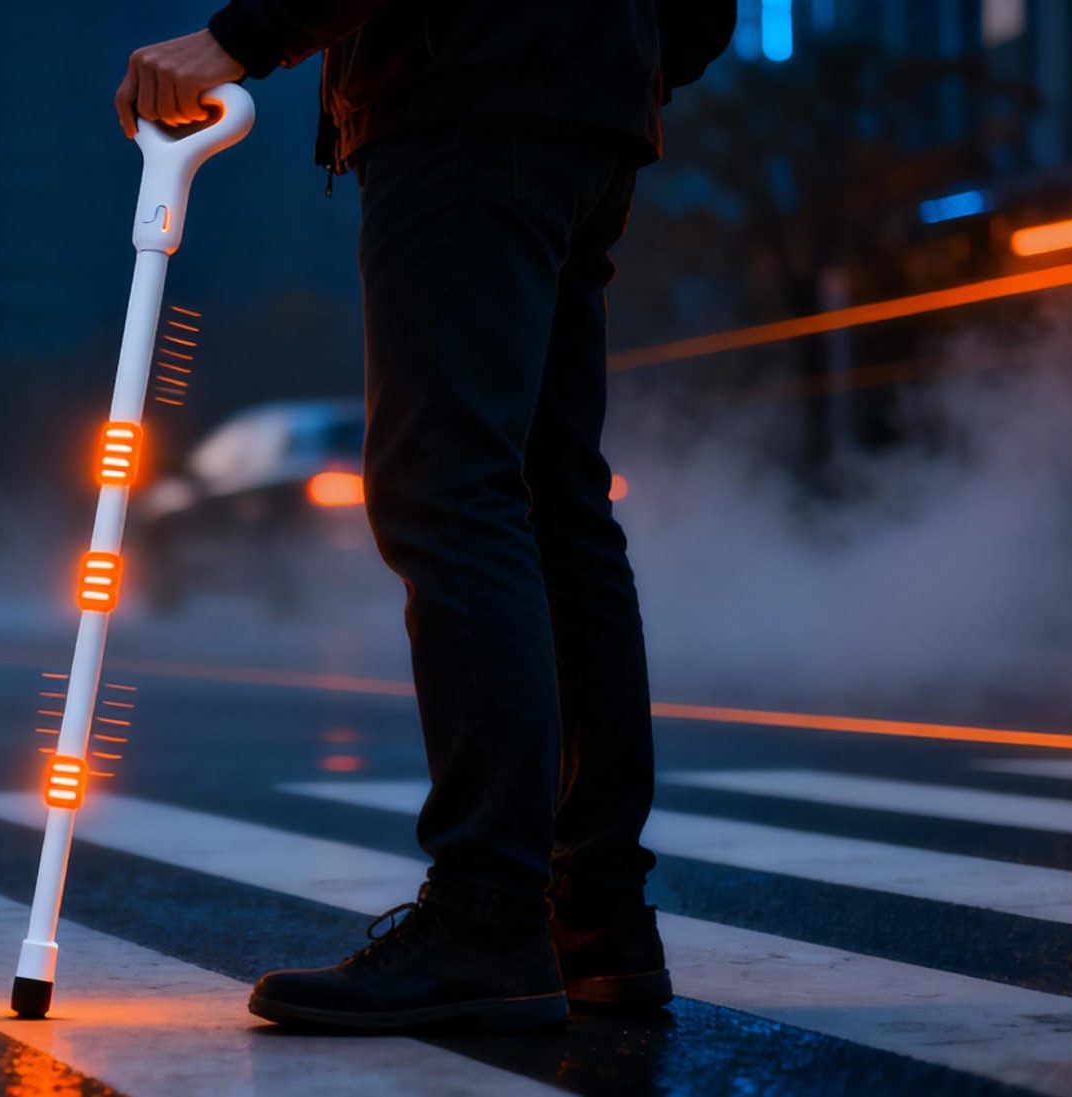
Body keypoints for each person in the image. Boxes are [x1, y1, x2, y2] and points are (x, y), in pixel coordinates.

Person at [115, 2, 731, 1033]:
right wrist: (610, 53)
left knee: (449, 486)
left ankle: (490, 918)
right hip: (588, 107)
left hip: (466, 87)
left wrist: (239, 38)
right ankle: (594, 912)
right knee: (553, 504)